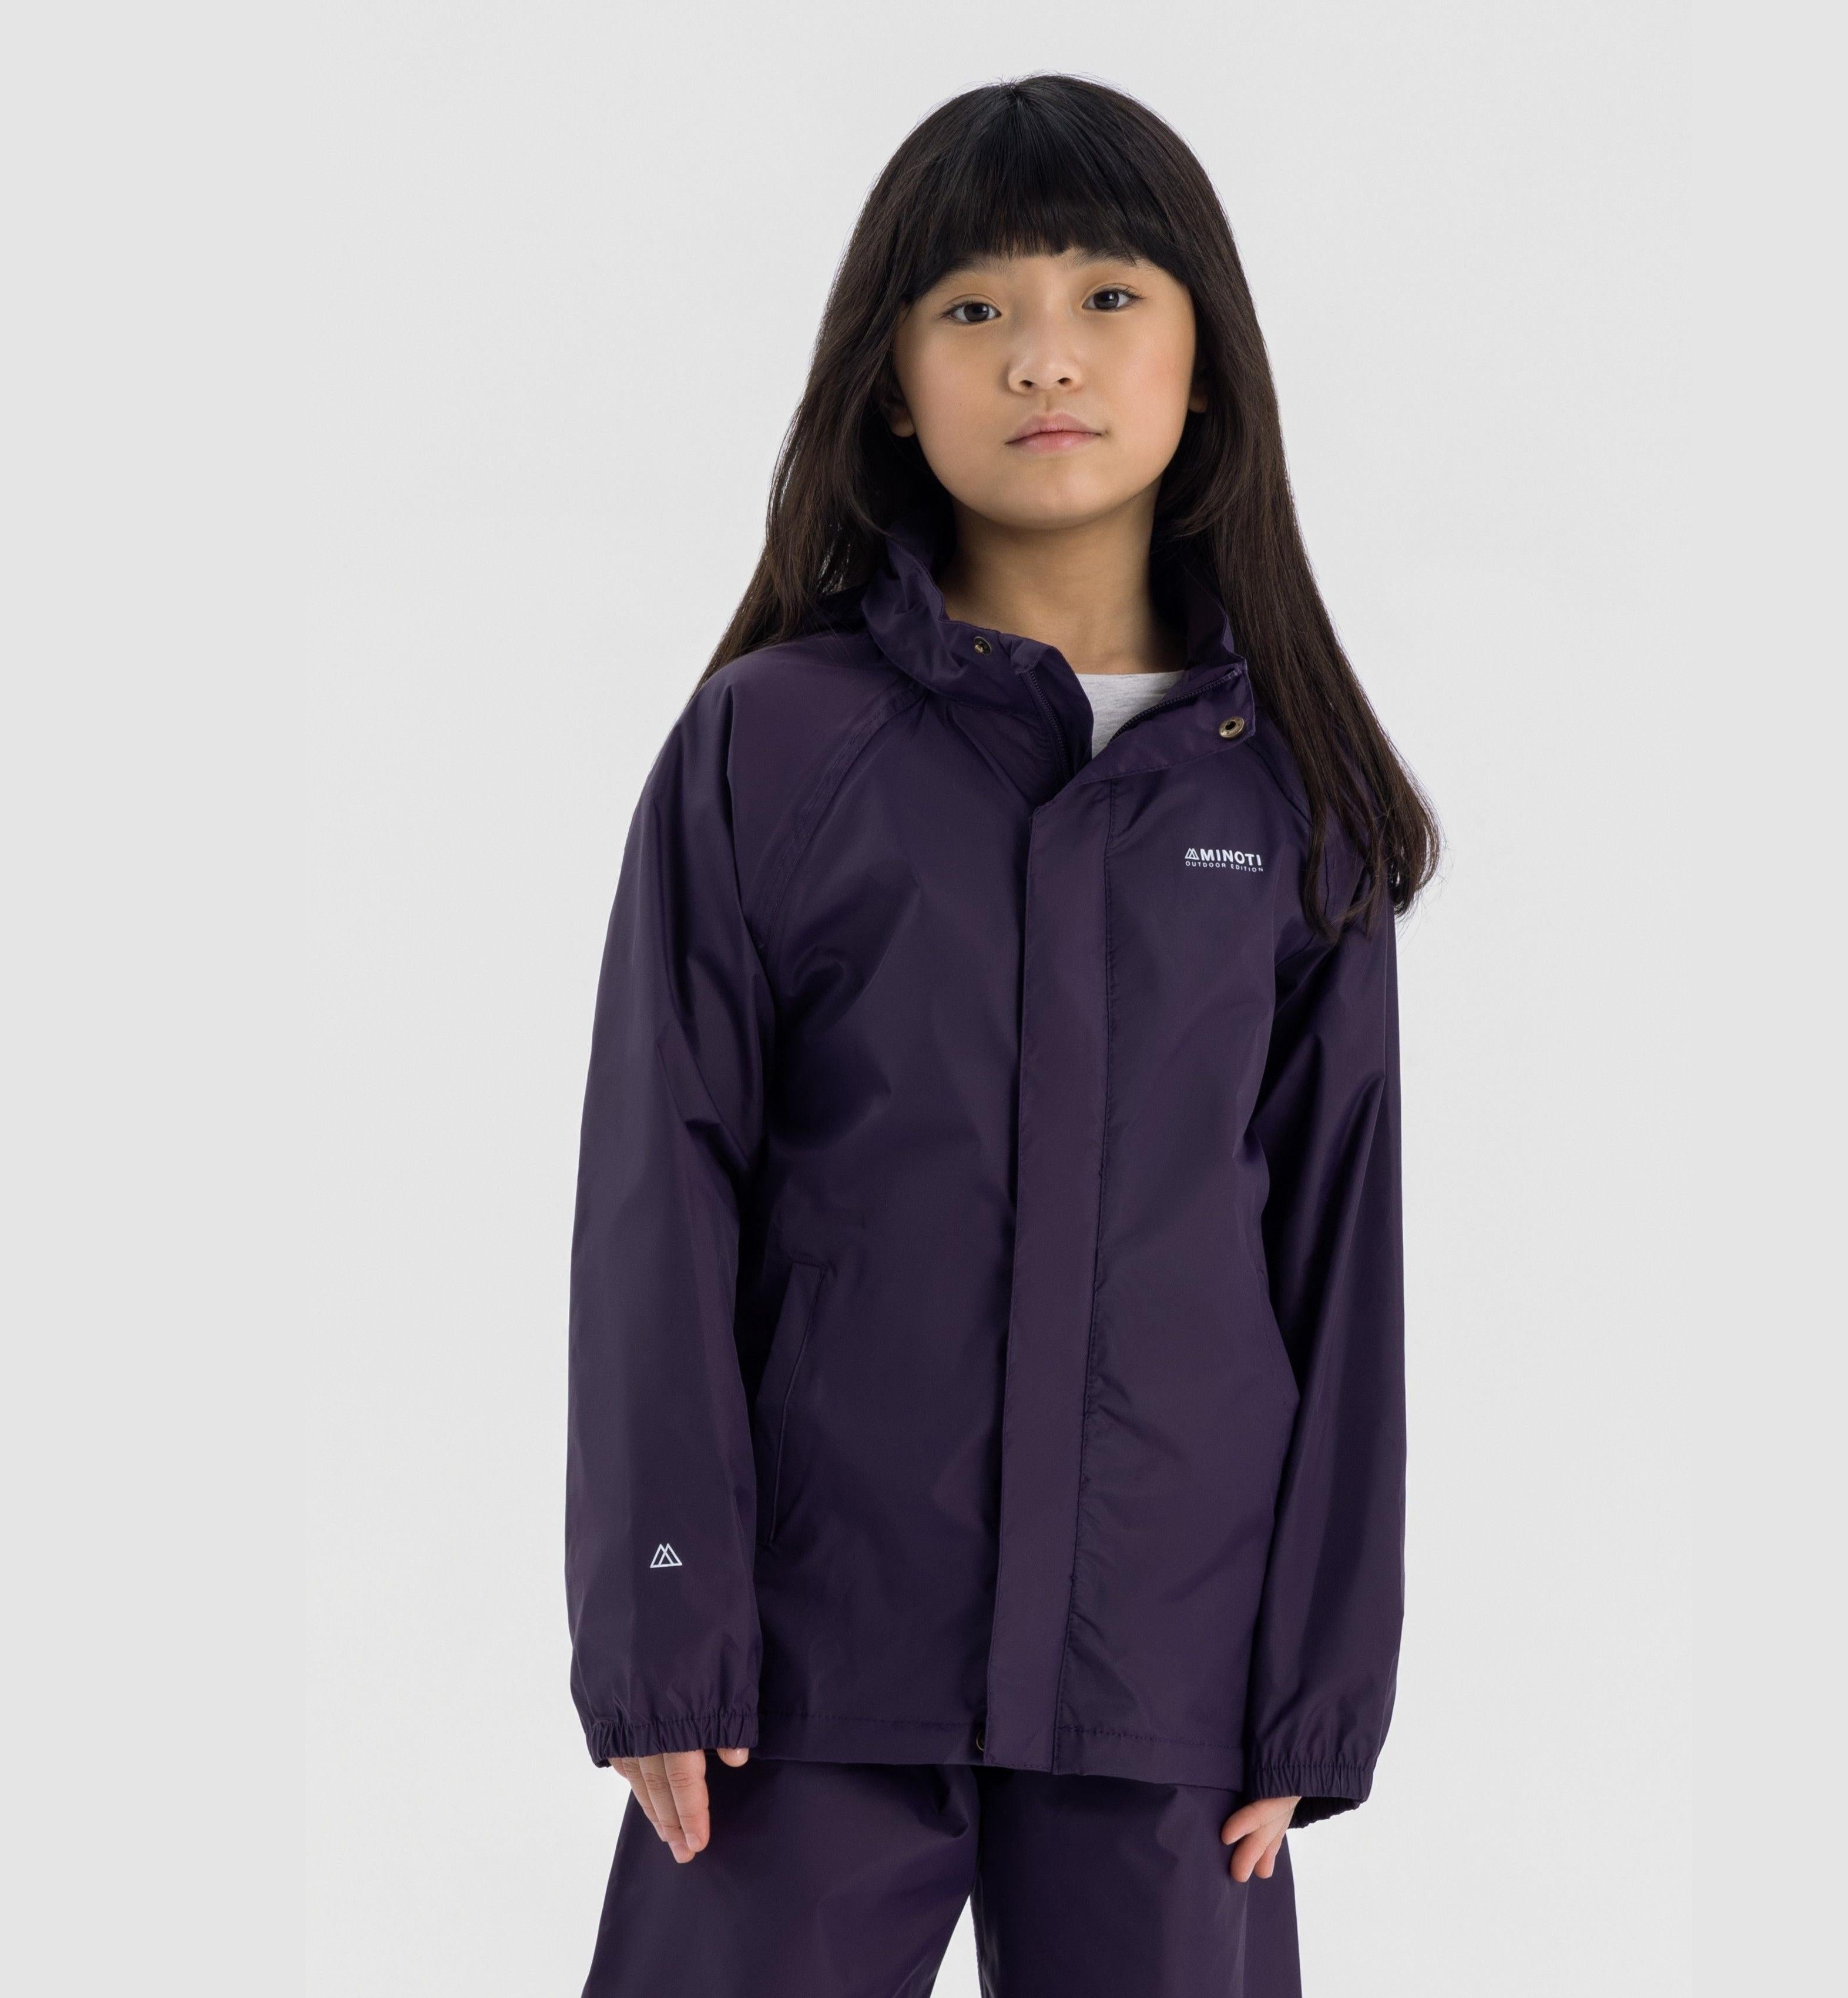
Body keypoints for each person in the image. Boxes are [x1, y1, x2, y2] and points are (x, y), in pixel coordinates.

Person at [564, 72, 1440, 1997]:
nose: (1044, 355)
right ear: (890, 382)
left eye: (1107, 294)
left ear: (1205, 361)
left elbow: (1337, 1255)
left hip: (1168, 1685)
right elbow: (658, 1201)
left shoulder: (1289, 790)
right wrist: (663, 1632)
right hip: (799, 1678)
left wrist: (1312, 1687)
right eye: (972, 306)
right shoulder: (773, 745)